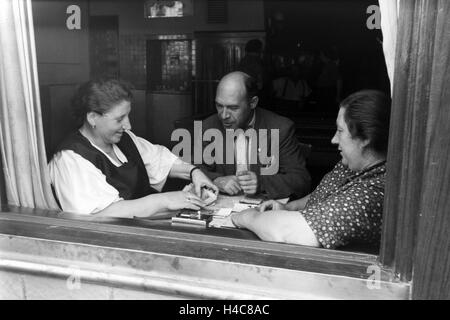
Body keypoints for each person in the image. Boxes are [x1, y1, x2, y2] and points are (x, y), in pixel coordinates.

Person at [232, 90, 390, 249]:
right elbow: (322, 195)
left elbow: (285, 231)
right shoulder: (350, 164)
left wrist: (246, 217)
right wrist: (288, 208)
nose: (334, 139)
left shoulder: (371, 194)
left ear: (365, 139)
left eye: (340, 131)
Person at [49, 79, 218, 217]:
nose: (128, 125)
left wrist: (194, 172)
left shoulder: (125, 139)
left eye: (128, 115)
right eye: (119, 119)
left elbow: (159, 160)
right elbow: (100, 216)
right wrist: (164, 200)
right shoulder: (70, 159)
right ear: (93, 117)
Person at [199, 71, 311, 199]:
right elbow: (194, 169)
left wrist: (261, 183)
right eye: (219, 106)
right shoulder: (208, 127)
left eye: (233, 108)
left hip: (265, 210)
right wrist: (216, 180)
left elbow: (301, 181)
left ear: (253, 102)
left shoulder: (281, 128)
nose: (224, 115)